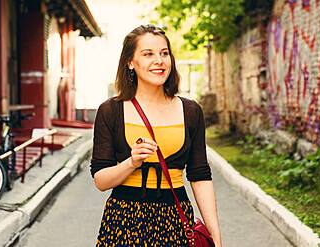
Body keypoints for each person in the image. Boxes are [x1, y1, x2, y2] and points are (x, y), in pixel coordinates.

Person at [90, 24, 222, 247]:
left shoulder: (190, 111)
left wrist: (215, 237)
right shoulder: (111, 111)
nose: (159, 61)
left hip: (176, 221)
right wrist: (131, 162)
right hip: (123, 222)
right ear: (130, 62)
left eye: (164, 53)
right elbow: (101, 181)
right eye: (148, 54)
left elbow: (200, 176)